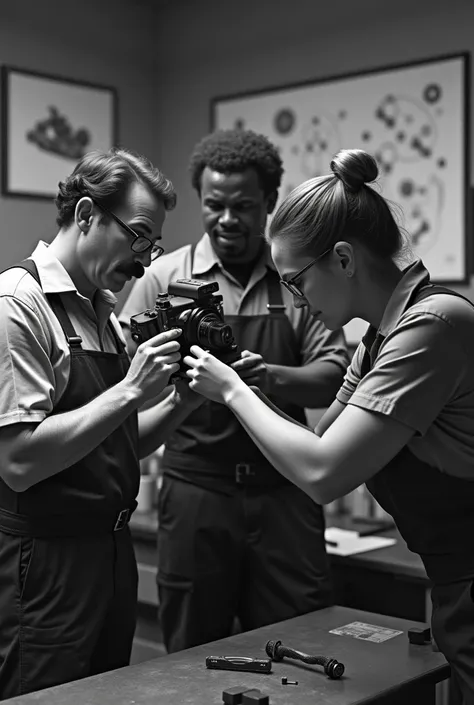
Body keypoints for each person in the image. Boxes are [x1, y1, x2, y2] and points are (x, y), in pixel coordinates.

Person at [184, 148, 474, 703]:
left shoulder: (433, 326)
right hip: (454, 579)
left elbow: (322, 475)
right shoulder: (378, 338)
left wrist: (233, 390)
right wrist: (242, 390)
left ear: (342, 259)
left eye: (297, 282)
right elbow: (315, 448)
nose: (297, 301)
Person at [119, 128, 350, 653]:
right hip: (197, 492)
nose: (227, 219)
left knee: (305, 641)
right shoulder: (162, 275)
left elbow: (336, 373)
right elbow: (129, 375)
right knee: (191, 650)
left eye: (243, 206)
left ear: (269, 203)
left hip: (284, 492)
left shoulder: (297, 275)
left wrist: (267, 377)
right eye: (214, 205)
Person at [0, 148, 203, 699]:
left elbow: (117, 445)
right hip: (46, 561)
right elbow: (19, 463)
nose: (143, 260)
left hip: (110, 553)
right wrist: (132, 389)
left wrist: (182, 402)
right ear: (87, 214)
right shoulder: (20, 305)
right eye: (137, 235)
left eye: (152, 244)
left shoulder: (102, 309)